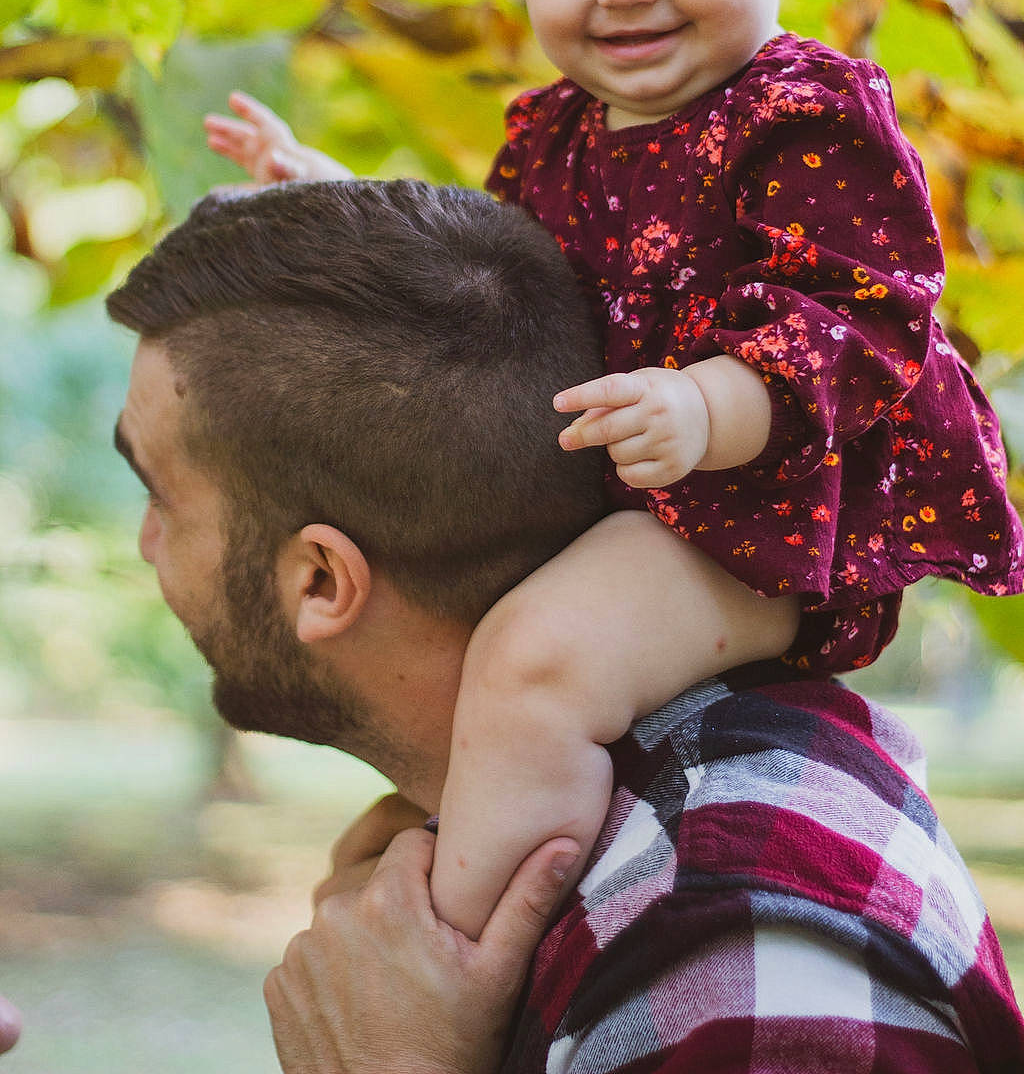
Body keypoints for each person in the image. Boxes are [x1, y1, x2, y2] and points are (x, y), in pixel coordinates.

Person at [204, 0, 1024, 940]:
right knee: (431, 625)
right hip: (630, 486)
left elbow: (866, 317)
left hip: (763, 507)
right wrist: (334, 195)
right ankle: (469, 842)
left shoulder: (801, 114)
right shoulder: (558, 129)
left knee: (535, 660)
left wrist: (709, 402)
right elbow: (495, 270)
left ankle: (464, 972)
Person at [105, 178, 1024, 1071]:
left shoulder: (733, 947)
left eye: (160, 492)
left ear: (319, 580)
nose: (144, 542)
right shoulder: (575, 852)